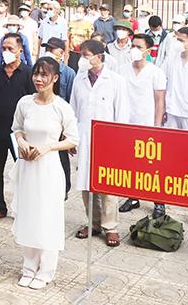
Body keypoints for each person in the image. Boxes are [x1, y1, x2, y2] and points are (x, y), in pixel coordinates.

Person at [10, 56, 80, 290]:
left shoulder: (61, 107)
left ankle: (46, 269)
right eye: (36, 74)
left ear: (55, 78)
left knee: (47, 218)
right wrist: (21, 142)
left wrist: (48, 147)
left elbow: (73, 139)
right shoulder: (25, 103)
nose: (38, 79)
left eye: (44, 75)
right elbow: (17, 128)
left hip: (48, 168)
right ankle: (29, 266)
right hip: (28, 167)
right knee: (29, 216)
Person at [71, 39, 129, 247]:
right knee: (85, 182)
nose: (82, 59)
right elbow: (74, 110)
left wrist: (120, 141)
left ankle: (110, 226)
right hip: (84, 136)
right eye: (81, 55)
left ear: (99, 57)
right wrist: (71, 138)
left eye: (86, 55)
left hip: (108, 139)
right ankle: (92, 222)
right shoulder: (79, 80)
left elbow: (122, 113)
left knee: (107, 184)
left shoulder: (115, 80)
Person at [0, 33, 34, 223]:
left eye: (10, 48)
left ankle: (26, 208)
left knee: (24, 171)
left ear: (20, 50)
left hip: (20, 133)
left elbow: (34, 104)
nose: (6, 52)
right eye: (3, 48)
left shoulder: (29, 73)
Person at [117, 34, 167, 214]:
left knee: (152, 166)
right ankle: (133, 197)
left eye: (138, 46)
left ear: (148, 50)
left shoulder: (156, 72)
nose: (134, 49)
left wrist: (156, 126)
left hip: (148, 124)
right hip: (127, 123)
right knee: (131, 164)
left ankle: (159, 202)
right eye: (133, 46)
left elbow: (160, 101)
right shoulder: (122, 70)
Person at [42, 37, 76, 195]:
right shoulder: (38, 71)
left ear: (61, 53)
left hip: (60, 122)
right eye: (47, 49)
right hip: (42, 120)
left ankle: (64, 189)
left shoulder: (68, 73)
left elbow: (71, 100)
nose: (48, 52)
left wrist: (66, 128)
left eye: (52, 50)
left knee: (61, 157)